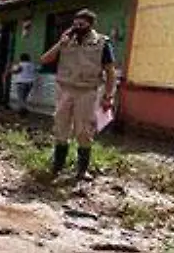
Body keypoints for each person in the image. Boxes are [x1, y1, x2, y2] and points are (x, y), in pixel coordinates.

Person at [40, 9, 117, 180]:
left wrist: (109, 96)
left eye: (81, 24)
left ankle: (82, 171)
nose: (77, 27)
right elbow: (44, 59)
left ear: (90, 25)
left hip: (87, 91)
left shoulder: (102, 43)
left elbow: (111, 72)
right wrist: (61, 43)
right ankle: (57, 167)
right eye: (75, 24)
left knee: (84, 131)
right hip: (65, 90)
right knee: (61, 128)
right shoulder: (66, 41)